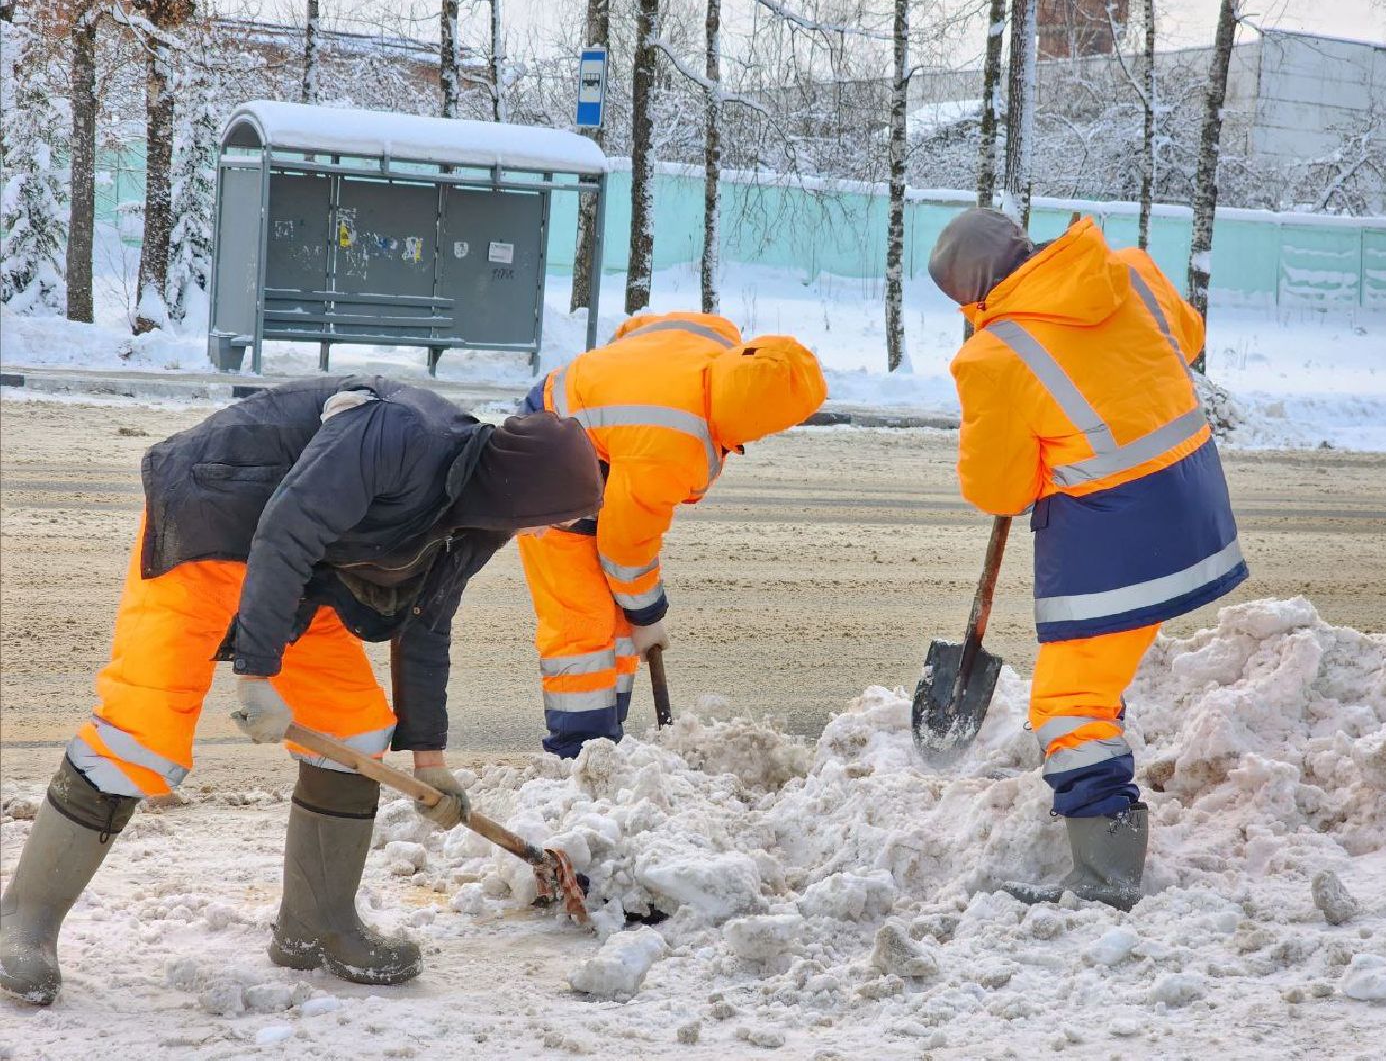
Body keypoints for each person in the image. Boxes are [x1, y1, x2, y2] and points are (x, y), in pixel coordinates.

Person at [0, 376, 603, 1004]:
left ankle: (316, 927)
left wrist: (432, 762)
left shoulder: (479, 514)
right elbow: (285, 528)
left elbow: (428, 621)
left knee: (355, 729)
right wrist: (256, 674)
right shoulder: (399, 434)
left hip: (301, 577)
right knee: (142, 728)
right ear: (527, 493)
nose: (549, 531)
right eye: (554, 518)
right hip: (213, 522)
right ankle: (24, 920)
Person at [929, 209, 1248, 910]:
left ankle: (1107, 881)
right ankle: (1106, 852)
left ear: (973, 297)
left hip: (1116, 539)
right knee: (1092, 682)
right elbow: (1184, 339)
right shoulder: (1125, 269)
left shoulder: (994, 355)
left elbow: (999, 489)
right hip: (1197, 505)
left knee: (1068, 705)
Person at [517, 311, 827, 757]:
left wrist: (613, 385)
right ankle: (579, 755)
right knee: (582, 621)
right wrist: (649, 615)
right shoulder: (674, 445)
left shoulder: (716, 339)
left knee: (619, 624)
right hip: (544, 448)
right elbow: (625, 549)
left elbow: (635, 329)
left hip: (600, 442)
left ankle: (608, 741)